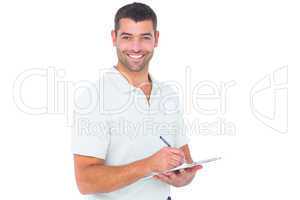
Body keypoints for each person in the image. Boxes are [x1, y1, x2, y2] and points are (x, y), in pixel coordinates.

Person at [71, 2, 202, 200]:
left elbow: (185, 161)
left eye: (145, 37)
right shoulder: (93, 97)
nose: (136, 47)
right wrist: (148, 165)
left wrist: (183, 178)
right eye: (127, 37)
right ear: (114, 38)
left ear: (156, 39)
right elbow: (85, 181)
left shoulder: (168, 95)